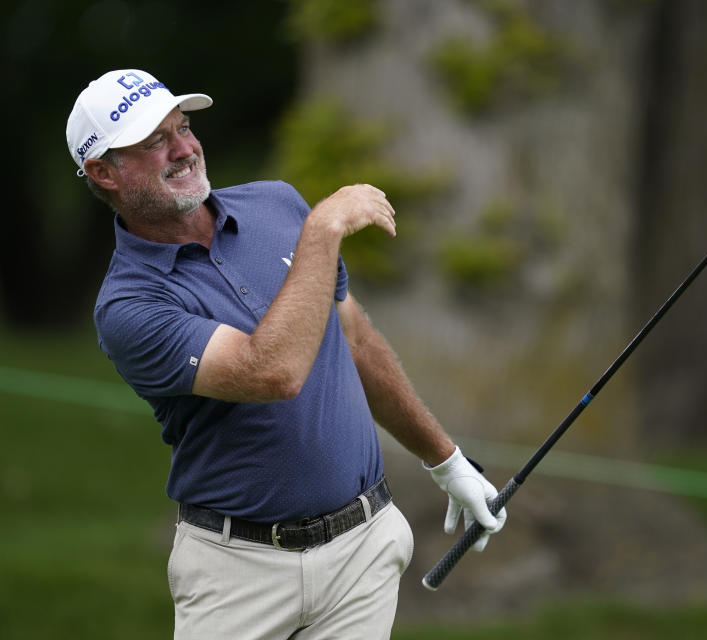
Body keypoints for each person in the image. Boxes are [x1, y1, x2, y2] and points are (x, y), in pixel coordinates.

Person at [66, 68, 506, 639]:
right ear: (104, 172)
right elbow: (270, 372)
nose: (184, 149)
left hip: (362, 552)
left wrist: (446, 462)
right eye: (154, 142)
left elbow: (354, 340)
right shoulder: (129, 305)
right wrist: (323, 229)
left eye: (183, 127)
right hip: (237, 573)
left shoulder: (276, 205)